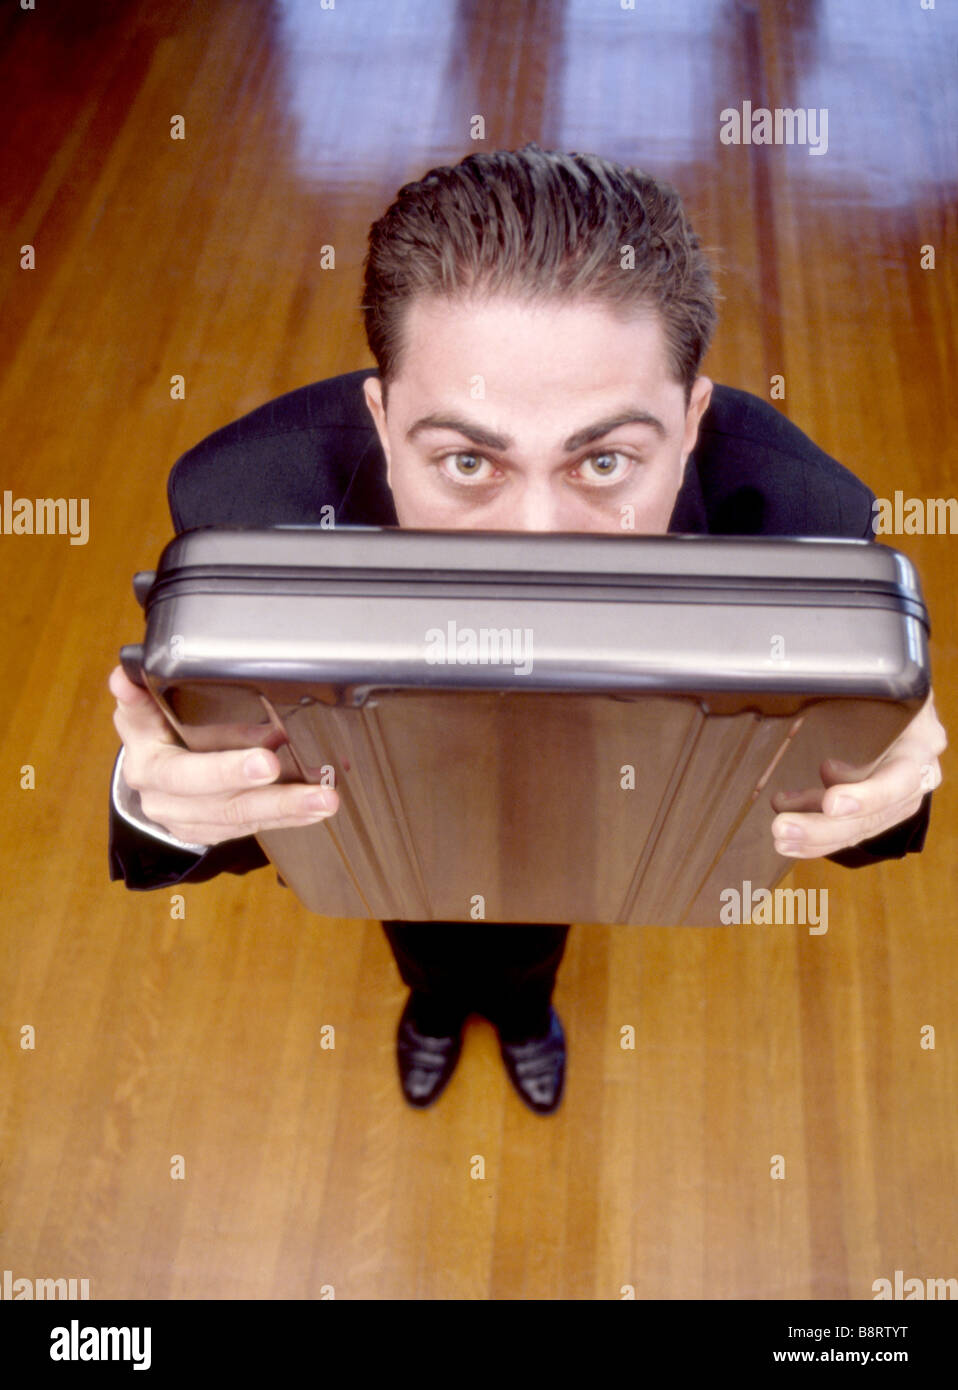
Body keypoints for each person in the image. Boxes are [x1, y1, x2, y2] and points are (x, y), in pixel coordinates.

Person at [107, 145, 946, 1116]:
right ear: (382, 424)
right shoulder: (244, 506)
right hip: (393, 814)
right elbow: (223, 760)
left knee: (539, 914)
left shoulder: (806, 522)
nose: (535, 541)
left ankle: (523, 1010)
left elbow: (847, 807)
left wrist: (891, 770)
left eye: (604, 462)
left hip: (599, 808)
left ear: (690, 421)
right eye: (468, 462)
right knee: (417, 919)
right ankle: (429, 1003)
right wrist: (155, 798)